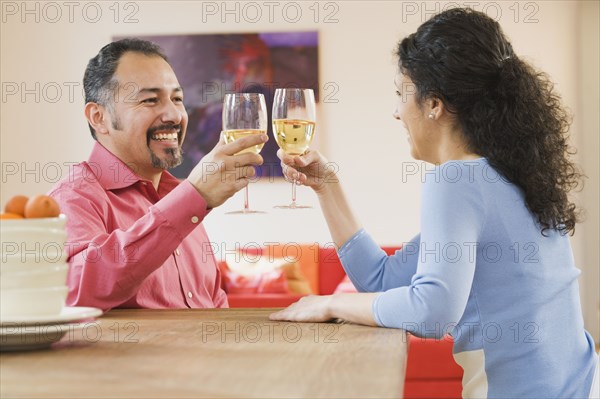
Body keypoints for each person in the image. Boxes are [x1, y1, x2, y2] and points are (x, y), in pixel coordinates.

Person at [269, 8, 599, 398]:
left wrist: (331, 305)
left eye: (400, 94)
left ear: (434, 104)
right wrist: (328, 187)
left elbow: (433, 311)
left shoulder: (456, 179)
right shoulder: (512, 173)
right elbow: (384, 281)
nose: (395, 112)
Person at [50, 39, 267, 311]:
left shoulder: (182, 198)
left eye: (177, 98)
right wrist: (193, 198)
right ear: (98, 117)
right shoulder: (74, 198)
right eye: (150, 100)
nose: (175, 114)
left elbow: (214, 303)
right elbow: (78, 290)